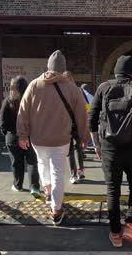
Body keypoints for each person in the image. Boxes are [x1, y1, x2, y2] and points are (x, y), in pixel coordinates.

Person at [89, 55, 132, 248]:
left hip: (110, 148)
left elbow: (92, 120)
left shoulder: (103, 88)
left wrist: (97, 146)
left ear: (116, 71)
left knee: (113, 191)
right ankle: (130, 226)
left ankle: (115, 234)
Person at [17, 50, 89, 226]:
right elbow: (82, 116)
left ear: (48, 67)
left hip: (38, 139)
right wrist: (84, 137)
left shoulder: (34, 85)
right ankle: (56, 209)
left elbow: (23, 111)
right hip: (61, 140)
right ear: (64, 69)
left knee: (42, 164)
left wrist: (22, 134)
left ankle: (47, 190)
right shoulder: (73, 89)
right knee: (58, 172)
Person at [0, 76, 41, 198]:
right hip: (30, 135)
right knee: (32, 161)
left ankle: (18, 185)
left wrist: (6, 133)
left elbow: (2, 121)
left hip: (12, 136)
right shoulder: (32, 100)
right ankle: (34, 186)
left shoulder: (7, 101)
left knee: (16, 162)